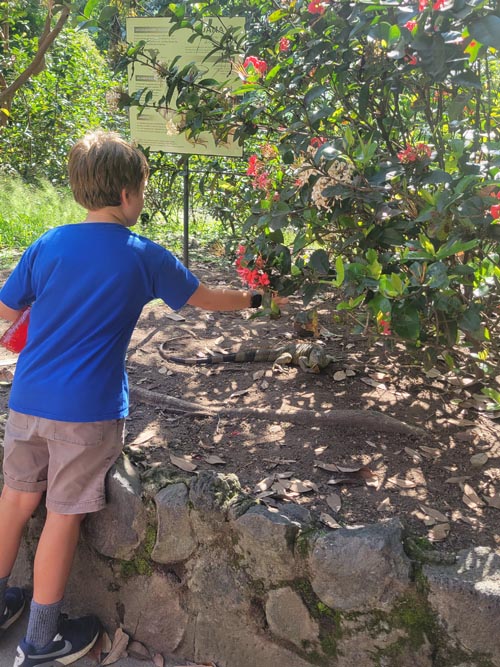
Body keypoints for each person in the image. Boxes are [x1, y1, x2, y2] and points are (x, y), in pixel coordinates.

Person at [0, 130, 286, 667]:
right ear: (129, 194)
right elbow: (205, 299)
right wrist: (258, 298)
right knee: (63, 515)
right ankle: (40, 640)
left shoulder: (47, 243)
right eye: (143, 190)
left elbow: (5, 313)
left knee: (14, 500)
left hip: (27, 401)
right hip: (86, 412)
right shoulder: (144, 255)